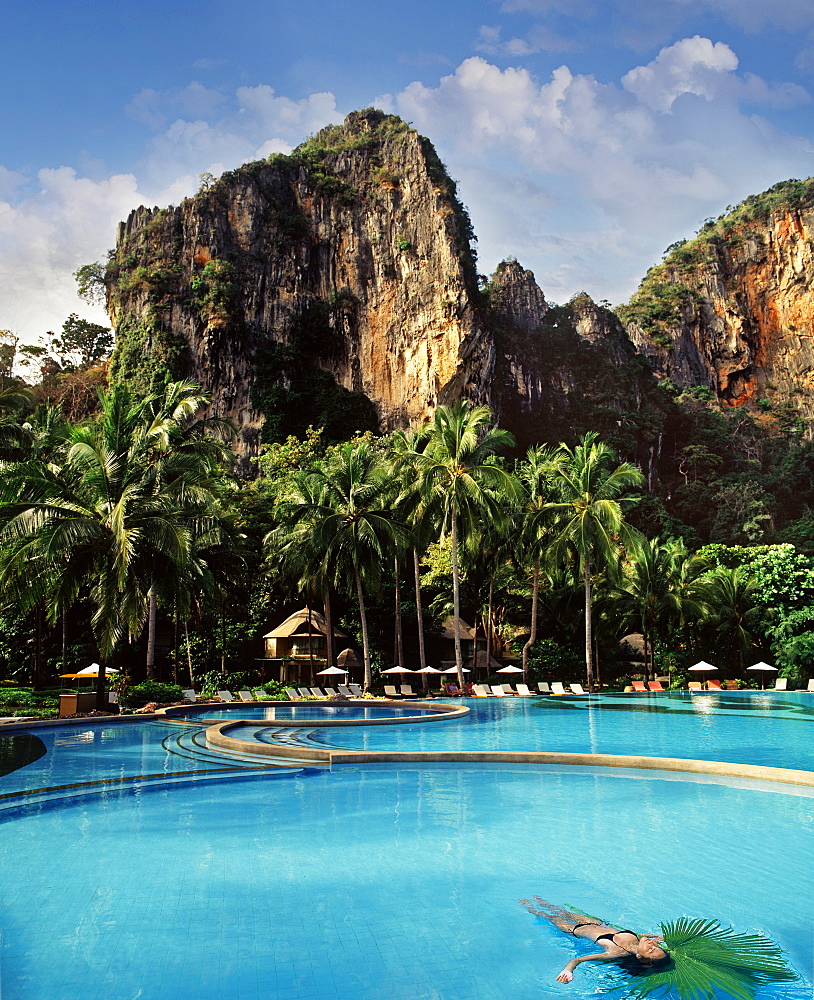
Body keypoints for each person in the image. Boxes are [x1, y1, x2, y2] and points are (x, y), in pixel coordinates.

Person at [520, 897, 670, 983]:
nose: (651, 944)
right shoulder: (638, 940)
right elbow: (638, 937)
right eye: (656, 946)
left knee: (548, 916)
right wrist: (658, 938)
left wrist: (568, 970)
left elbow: (578, 960)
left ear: (640, 958)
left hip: (575, 929)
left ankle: (528, 907)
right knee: (562, 910)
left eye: (651, 949)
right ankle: (540, 901)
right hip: (596, 922)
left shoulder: (616, 952)